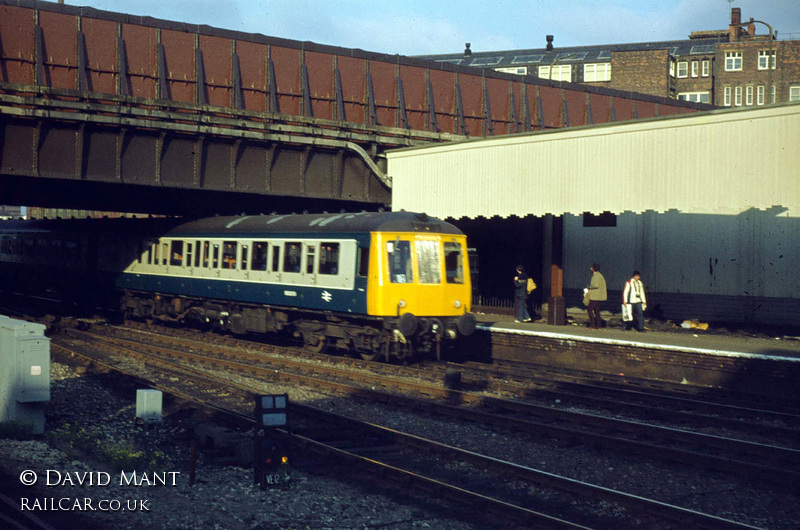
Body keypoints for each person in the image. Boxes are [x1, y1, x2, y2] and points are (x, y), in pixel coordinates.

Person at [586, 263, 607, 329]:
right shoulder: (600, 275)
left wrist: (589, 287)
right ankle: (598, 325)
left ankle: (592, 325)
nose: (590, 268)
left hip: (595, 296)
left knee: (589, 309)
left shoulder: (596, 276)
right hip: (599, 296)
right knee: (596, 310)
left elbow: (596, 285)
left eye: (591, 267)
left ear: (593, 268)